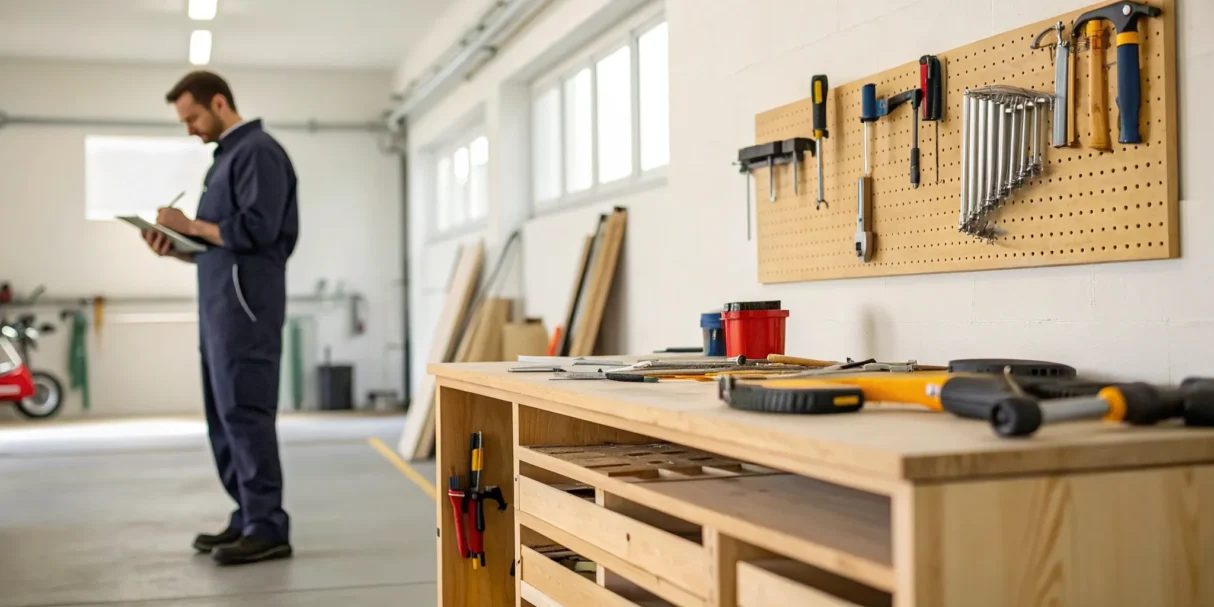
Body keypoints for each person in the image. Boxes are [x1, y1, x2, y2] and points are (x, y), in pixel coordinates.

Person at [143, 70, 299, 565]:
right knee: (223, 415)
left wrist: (188, 224)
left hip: (246, 308)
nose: (189, 128)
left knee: (246, 412)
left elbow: (258, 228)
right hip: (220, 307)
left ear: (219, 103)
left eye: (192, 117)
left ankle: (268, 525)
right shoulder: (226, 159)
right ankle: (248, 513)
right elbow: (220, 242)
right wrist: (179, 248)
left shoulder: (258, 152)